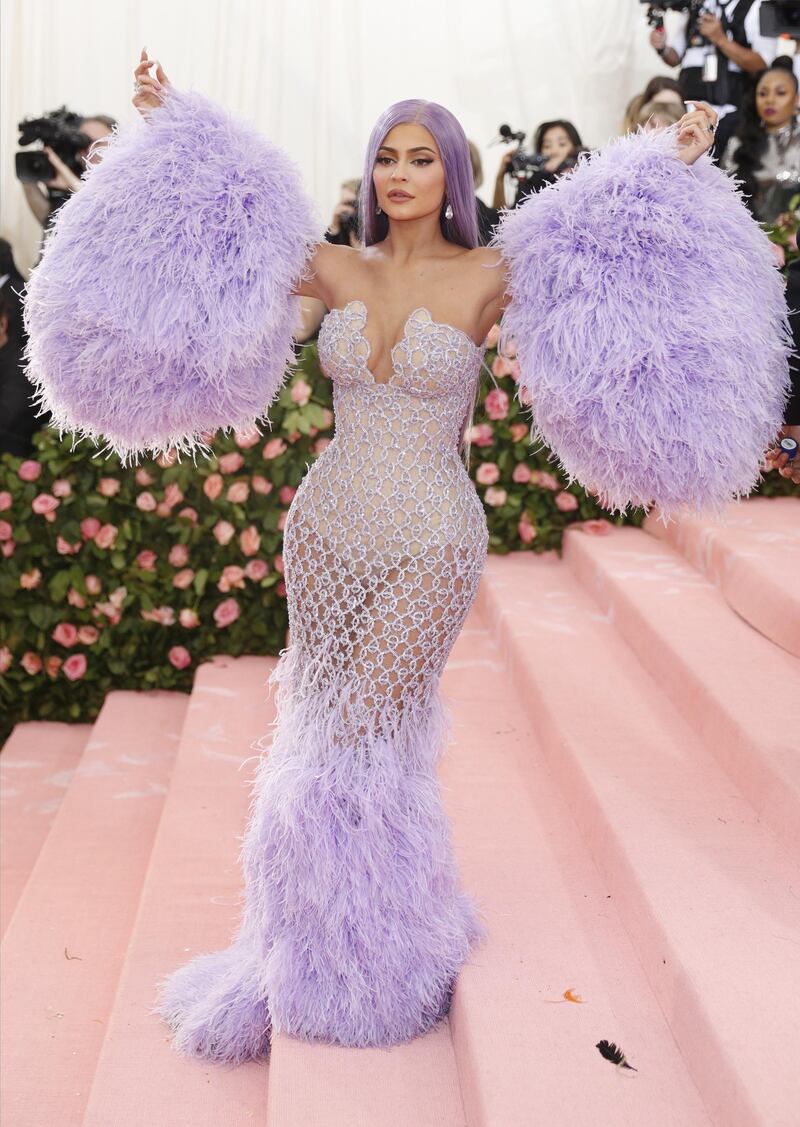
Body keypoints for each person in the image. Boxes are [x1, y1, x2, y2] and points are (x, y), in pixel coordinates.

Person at [29, 47, 760, 1064]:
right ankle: (304, 941)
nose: (399, 173)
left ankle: (373, 958)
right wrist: (169, 120)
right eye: (386, 157)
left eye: (420, 157)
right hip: (324, 530)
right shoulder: (334, 267)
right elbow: (214, 233)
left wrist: (672, 160)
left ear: (450, 175)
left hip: (430, 535)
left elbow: (603, 245)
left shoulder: (489, 274)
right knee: (316, 730)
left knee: (368, 736)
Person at [721, 56, 800, 222]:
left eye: (780, 93)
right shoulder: (738, 142)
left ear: (797, 100)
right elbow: (721, 196)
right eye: (763, 93)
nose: (770, 100)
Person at [21, 115, 116, 233]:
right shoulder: (74, 172)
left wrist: (71, 182)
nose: (89, 150)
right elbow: (51, 226)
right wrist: (28, 178)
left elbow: (108, 218)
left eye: (97, 143)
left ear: (116, 144)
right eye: (83, 143)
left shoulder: (129, 178)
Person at [492, 119, 584, 208]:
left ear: (576, 147)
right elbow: (504, 220)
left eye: (562, 144)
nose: (554, 151)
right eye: (547, 146)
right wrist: (499, 178)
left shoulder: (586, 173)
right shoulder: (534, 182)